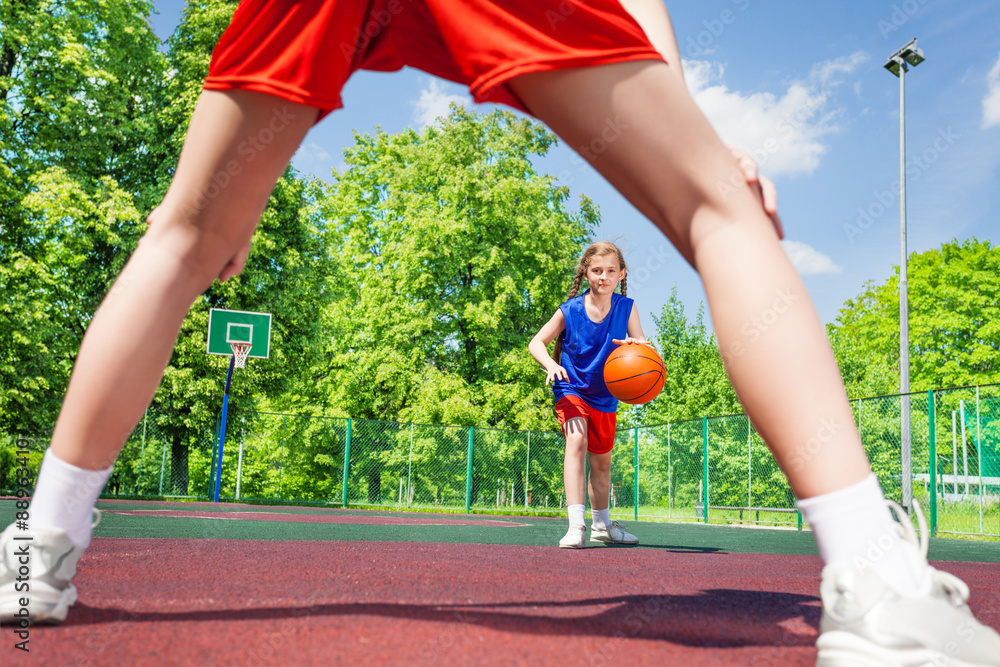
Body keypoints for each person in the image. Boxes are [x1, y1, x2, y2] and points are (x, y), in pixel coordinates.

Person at [1, 1, 997, 663]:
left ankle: (34, 553)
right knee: (718, 209)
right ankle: (873, 578)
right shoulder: (572, 310)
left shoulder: (611, 309)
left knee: (183, 237)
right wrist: (699, 135)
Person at [529, 241, 648, 549]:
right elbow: (536, 343)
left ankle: (602, 525)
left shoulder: (627, 308)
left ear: (621, 274)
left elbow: (642, 346)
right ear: (585, 274)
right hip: (571, 389)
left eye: (610, 271)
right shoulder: (570, 310)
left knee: (602, 464)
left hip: (606, 395)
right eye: (596, 271)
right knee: (577, 440)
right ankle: (575, 525)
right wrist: (552, 365)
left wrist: (642, 357)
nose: (603, 277)